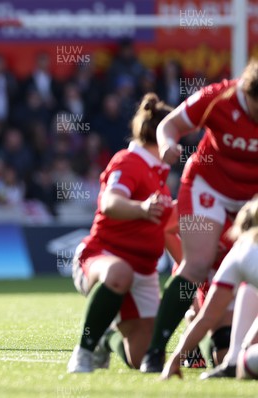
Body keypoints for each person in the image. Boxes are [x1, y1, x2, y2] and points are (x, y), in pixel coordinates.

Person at [140, 60, 258, 373]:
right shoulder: (219, 97)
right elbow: (170, 125)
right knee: (197, 264)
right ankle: (156, 350)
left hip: (252, 199)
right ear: (248, 94)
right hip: (209, 187)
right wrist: (168, 146)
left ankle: (238, 355)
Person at [67, 93, 177, 372]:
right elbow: (109, 203)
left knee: (144, 360)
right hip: (101, 257)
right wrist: (141, 208)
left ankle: (107, 339)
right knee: (119, 273)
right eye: (176, 133)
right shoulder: (128, 161)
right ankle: (84, 351)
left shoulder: (159, 174)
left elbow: (167, 230)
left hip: (144, 272)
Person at [161, 197, 258, 379]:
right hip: (218, 296)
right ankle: (230, 356)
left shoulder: (240, 253)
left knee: (244, 362)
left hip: (224, 298)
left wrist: (173, 362)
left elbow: (207, 317)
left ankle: (234, 358)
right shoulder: (236, 252)